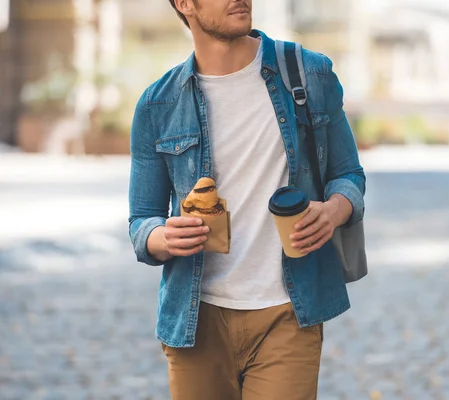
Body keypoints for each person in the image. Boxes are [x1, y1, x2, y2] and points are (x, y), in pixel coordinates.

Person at [127, 0, 366, 398]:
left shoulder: (309, 73)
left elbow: (349, 175)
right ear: (185, 4)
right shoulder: (158, 105)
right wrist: (163, 238)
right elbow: (141, 220)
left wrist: (334, 210)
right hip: (197, 318)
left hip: (288, 311)